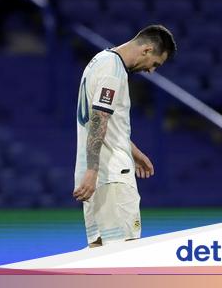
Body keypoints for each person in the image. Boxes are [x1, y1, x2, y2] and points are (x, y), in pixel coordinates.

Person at [72, 25, 176, 247]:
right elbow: (99, 118)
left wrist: (134, 152)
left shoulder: (99, 60)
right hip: (112, 176)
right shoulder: (113, 71)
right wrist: (93, 170)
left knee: (98, 253)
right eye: (155, 64)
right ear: (147, 50)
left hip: (95, 175)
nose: (151, 70)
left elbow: (102, 121)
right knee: (124, 256)